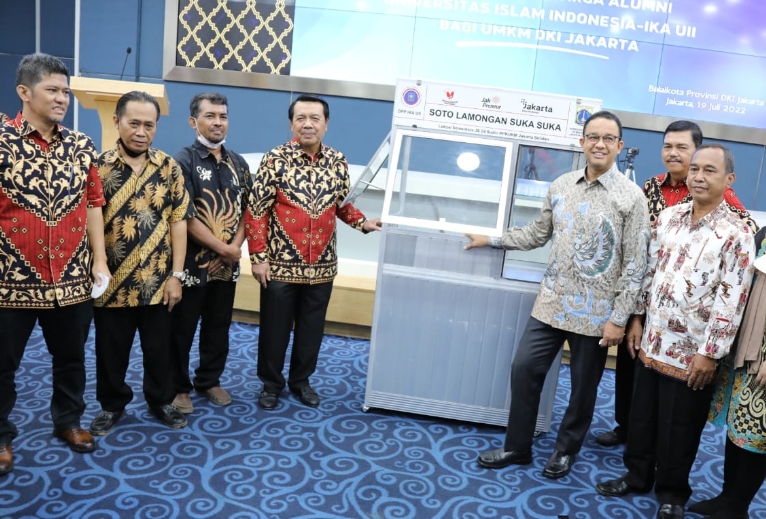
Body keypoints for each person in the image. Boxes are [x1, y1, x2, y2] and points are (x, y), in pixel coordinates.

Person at [465, 111, 650, 479]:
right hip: (550, 303)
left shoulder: (632, 197)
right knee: (524, 369)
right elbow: (538, 233)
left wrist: (619, 318)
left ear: (619, 146)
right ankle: (517, 446)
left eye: (608, 138)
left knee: (583, 389)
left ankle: (565, 451)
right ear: (581, 142)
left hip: (596, 313)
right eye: (592, 136)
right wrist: (493, 240)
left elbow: (635, 263)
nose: (599, 144)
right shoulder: (561, 185)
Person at [595, 144, 756, 519]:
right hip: (651, 340)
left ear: (729, 179)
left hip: (693, 354)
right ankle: (637, 476)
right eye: (695, 169)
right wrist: (636, 319)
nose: (698, 176)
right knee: (641, 417)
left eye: (709, 171)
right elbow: (649, 272)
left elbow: (732, 299)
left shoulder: (737, 232)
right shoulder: (668, 217)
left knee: (679, 427)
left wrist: (709, 354)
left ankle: (672, 492)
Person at [0, 53, 110, 474]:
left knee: (71, 358)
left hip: (71, 278)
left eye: (66, 91)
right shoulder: (2, 141)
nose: (63, 98)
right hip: (10, 279)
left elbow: (94, 204)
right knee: (2, 365)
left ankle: (69, 421)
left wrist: (99, 259)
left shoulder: (82, 146)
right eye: (53, 90)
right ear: (24, 92)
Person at [245, 94, 381, 410]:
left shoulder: (338, 161)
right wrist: (258, 258)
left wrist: (363, 222)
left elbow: (342, 206)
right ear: (292, 123)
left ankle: (301, 381)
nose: (308, 124)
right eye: (301, 118)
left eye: (315, 118)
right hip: (279, 265)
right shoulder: (274, 159)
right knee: (275, 330)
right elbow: (257, 210)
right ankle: (270, 384)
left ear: (326, 124)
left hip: (322, 266)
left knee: (311, 330)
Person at [89, 91, 194, 436]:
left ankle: (161, 400)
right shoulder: (97, 167)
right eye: (133, 123)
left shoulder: (169, 167)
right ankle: (111, 405)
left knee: (160, 349)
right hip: (111, 282)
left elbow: (178, 222)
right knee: (110, 351)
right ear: (117, 121)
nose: (141, 132)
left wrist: (176, 275)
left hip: (157, 281)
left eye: (149, 125)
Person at [170, 93, 253, 413]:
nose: (218, 122)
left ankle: (209, 380)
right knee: (182, 329)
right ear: (193, 122)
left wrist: (234, 249)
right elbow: (185, 216)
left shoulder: (238, 163)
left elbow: (248, 211)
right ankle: (179, 387)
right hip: (191, 265)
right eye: (210, 116)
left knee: (218, 327)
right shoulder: (182, 162)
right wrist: (223, 248)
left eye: (223, 116)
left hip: (226, 266)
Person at [688, 226, 766, 519]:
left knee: (756, 433)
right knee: (738, 425)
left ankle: (737, 508)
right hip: (746, 345)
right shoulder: (764, 233)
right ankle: (727, 497)